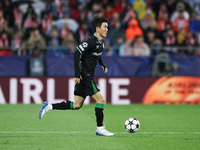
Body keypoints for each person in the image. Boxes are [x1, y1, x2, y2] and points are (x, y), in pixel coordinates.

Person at [39, 16, 114, 136]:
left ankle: (50, 106)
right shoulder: (90, 41)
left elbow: (97, 54)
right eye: (105, 27)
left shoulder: (101, 42)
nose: (107, 29)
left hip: (87, 75)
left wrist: (102, 65)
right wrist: (77, 74)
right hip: (85, 76)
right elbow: (76, 53)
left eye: (107, 27)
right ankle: (100, 128)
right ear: (97, 28)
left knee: (77, 105)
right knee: (101, 100)